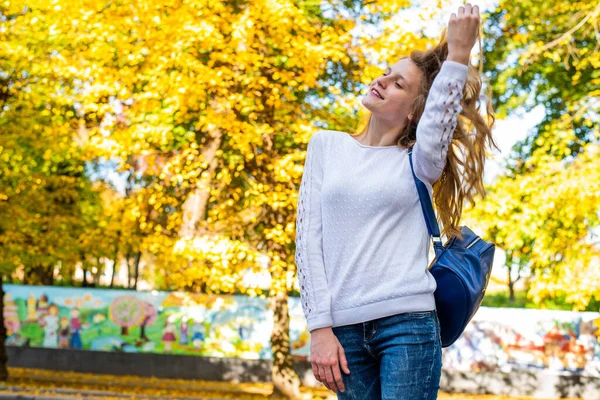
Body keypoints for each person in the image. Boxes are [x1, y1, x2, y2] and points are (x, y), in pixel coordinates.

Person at [294, 4, 498, 399]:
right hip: (345, 332)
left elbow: (440, 119)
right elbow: (308, 243)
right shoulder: (326, 145)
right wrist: (319, 329)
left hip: (408, 325)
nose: (383, 80)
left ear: (413, 112)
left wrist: (458, 55)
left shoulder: (420, 161)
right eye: (386, 72)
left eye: (399, 84)